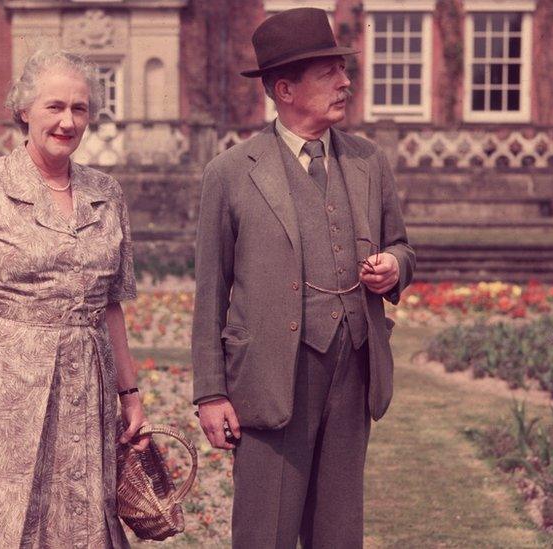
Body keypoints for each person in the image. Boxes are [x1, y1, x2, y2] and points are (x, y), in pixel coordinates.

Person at [191, 8, 416, 548]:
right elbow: (209, 293)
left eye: (343, 70)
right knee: (264, 533)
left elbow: (404, 247)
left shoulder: (368, 161)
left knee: (338, 535)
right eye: (328, 73)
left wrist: (394, 268)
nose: (345, 82)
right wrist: (210, 393)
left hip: (353, 368)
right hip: (269, 378)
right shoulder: (230, 172)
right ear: (285, 88)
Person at [0, 49, 148, 548]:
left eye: (81, 109)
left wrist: (130, 396)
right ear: (24, 110)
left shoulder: (106, 194)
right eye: (54, 107)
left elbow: (110, 305)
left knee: (83, 529)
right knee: (2, 530)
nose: (68, 121)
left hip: (85, 390)